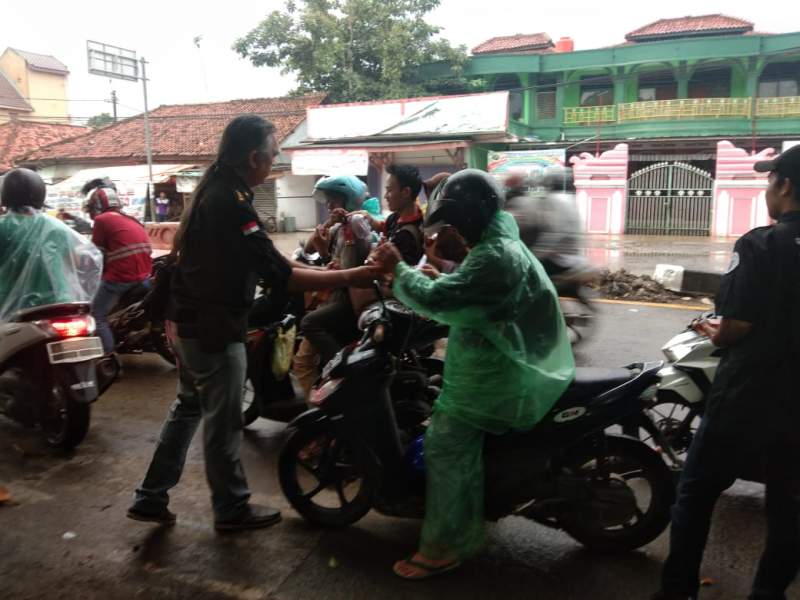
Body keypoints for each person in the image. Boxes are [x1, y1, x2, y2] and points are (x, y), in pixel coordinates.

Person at [127, 115, 377, 532]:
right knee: (223, 425)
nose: (274, 160)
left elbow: (274, 261)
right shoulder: (230, 201)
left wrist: (330, 270)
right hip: (212, 328)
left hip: (186, 322)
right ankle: (230, 508)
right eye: (273, 153)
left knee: (189, 406)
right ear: (253, 157)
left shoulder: (218, 189)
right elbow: (281, 275)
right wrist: (350, 276)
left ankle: (151, 496)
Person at [369, 169, 575, 579]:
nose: (455, 232)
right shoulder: (497, 244)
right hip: (499, 364)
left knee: (445, 446)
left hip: (498, 378)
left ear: (470, 218)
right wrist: (440, 276)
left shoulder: (494, 256)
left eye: (457, 223)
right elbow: (467, 292)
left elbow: (442, 299)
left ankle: (447, 544)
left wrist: (402, 270)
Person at [652, 144, 800, 600]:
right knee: (789, 508)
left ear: (786, 185)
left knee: (695, 494)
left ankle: (678, 590)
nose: (766, 187)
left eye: (769, 178)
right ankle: (767, 592)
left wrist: (716, 331)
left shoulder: (760, 244)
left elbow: (735, 326)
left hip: (747, 399)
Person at [0, 169, 102, 321]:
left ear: (5, 195)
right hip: (60, 303)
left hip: (15, 308)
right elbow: (84, 260)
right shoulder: (58, 227)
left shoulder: (3, 227)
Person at [83, 178, 154, 354]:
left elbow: (95, 255)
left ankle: (109, 358)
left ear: (97, 205)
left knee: (96, 315)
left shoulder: (102, 221)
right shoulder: (131, 219)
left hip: (122, 279)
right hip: (144, 277)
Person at [361, 164, 425, 265]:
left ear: (406, 192)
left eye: (389, 190)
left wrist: (374, 254)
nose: (386, 196)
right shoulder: (396, 217)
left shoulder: (407, 236)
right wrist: (368, 217)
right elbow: (383, 226)